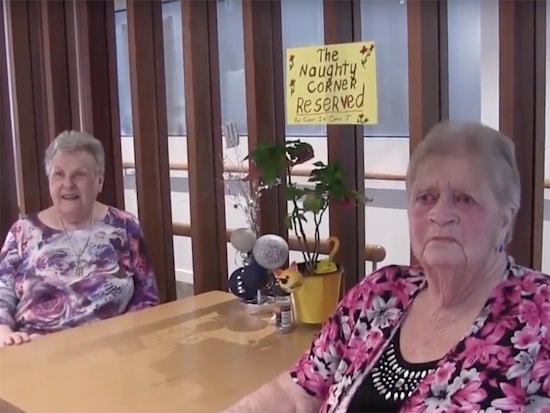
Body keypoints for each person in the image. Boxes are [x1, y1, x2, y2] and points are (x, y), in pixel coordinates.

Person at [223, 121, 550, 412]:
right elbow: (296, 392)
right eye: (426, 197)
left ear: (505, 217)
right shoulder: (380, 293)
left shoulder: (541, 318)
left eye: (464, 198)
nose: (440, 214)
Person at [0, 130, 159, 347]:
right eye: (59, 174)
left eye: (79, 175)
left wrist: (126, 337)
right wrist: (3, 329)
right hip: (36, 350)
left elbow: (147, 298)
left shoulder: (125, 226)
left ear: (99, 181)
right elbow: (2, 291)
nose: (68, 184)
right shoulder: (23, 231)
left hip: (111, 349)